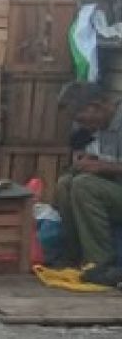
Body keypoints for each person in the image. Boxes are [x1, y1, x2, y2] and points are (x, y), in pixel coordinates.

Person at [54, 81, 122, 286]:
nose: (82, 127)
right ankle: (74, 258)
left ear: (97, 106)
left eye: (83, 120)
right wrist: (87, 161)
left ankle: (102, 264)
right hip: (114, 188)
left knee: (85, 185)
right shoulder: (100, 125)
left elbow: (107, 167)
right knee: (66, 183)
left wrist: (103, 167)